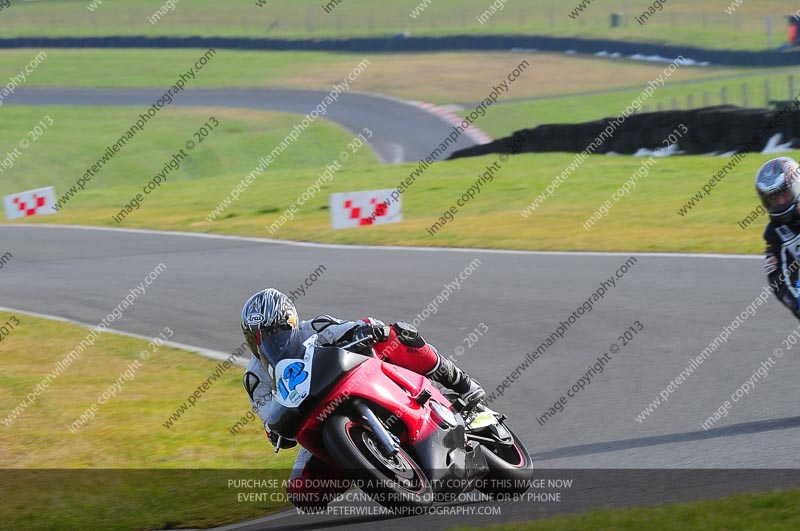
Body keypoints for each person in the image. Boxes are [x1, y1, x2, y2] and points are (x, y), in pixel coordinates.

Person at [239, 287, 486, 511]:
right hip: (314, 417)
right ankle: (366, 467)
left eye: (274, 332)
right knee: (303, 492)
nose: (265, 342)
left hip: (353, 381)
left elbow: (349, 329)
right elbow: (268, 413)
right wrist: (276, 431)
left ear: (291, 322)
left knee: (396, 334)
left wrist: (366, 329)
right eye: (255, 337)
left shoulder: (314, 327)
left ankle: (462, 383)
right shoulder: (254, 377)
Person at [756, 156, 800, 318]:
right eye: (774, 198)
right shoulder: (775, 233)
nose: (781, 202)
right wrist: (797, 302)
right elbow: (779, 277)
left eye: (785, 194)